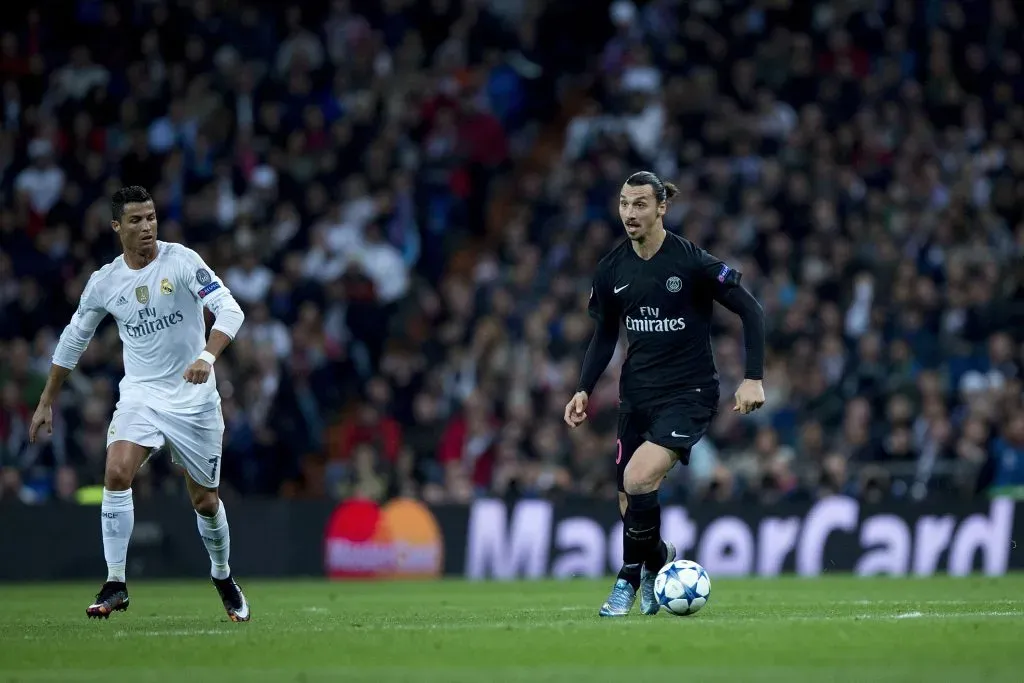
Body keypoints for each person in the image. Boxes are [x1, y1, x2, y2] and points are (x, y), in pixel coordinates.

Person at [29, 186, 250, 622]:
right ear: (117, 227)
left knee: (205, 501)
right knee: (115, 471)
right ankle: (116, 583)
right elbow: (74, 338)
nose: (147, 226)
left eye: (150, 217)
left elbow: (230, 310)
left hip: (193, 398)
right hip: (141, 395)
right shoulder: (105, 281)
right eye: (136, 220)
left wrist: (207, 356)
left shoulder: (182, 260)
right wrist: (46, 400)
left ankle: (223, 576)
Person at [563, 171, 766, 617]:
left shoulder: (691, 262)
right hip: (636, 397)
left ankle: (627, 581)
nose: (629, 214)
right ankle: (657, 558)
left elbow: (751, 309)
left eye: (639, 204)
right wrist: (582, 389)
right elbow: (603, 336)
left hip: (688, 394)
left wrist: (752, 377)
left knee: (638, 480)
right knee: (628, 502)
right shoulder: (612, 268)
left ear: (661, 208)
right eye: (623, 204)